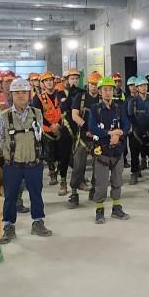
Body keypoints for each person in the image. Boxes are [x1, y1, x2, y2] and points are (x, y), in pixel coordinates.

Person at [0, 79, 53, 244]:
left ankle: (38, 222)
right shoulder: (3, 117)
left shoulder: (37, 113)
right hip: (12, 165)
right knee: (10, 197)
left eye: (24, 92)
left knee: (36, 194)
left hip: (33, 163)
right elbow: (1, 141)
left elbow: (39, 136)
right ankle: (8, 226)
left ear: (29, 94)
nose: (21, 96)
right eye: (17, 93)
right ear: (11, 95)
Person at [85, 75, 130, 224]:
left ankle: (116, 208)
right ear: (100, 92)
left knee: (117, 181)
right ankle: (99, 210)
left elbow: (126, 125)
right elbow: (92, 127)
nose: (108, 92)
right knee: (101, 183)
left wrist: (119, 134)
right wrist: (110, 134)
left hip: (117, 151)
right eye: (105, 89)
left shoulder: (119, 108)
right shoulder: (95, 109)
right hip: (102, 151)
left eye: (110, 89)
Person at [66, 73, 99, 207]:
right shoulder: (80, 97)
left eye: (96, 84)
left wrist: (97, 131)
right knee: (78, 165)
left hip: (98, 137)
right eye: (92, 84)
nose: (94, 87)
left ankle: (94, 190)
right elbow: (75, 115)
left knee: (99, 166)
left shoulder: (102, 99)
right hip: (83, 137)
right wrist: (87, 127)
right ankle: (74, 193)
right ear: (88, 84)